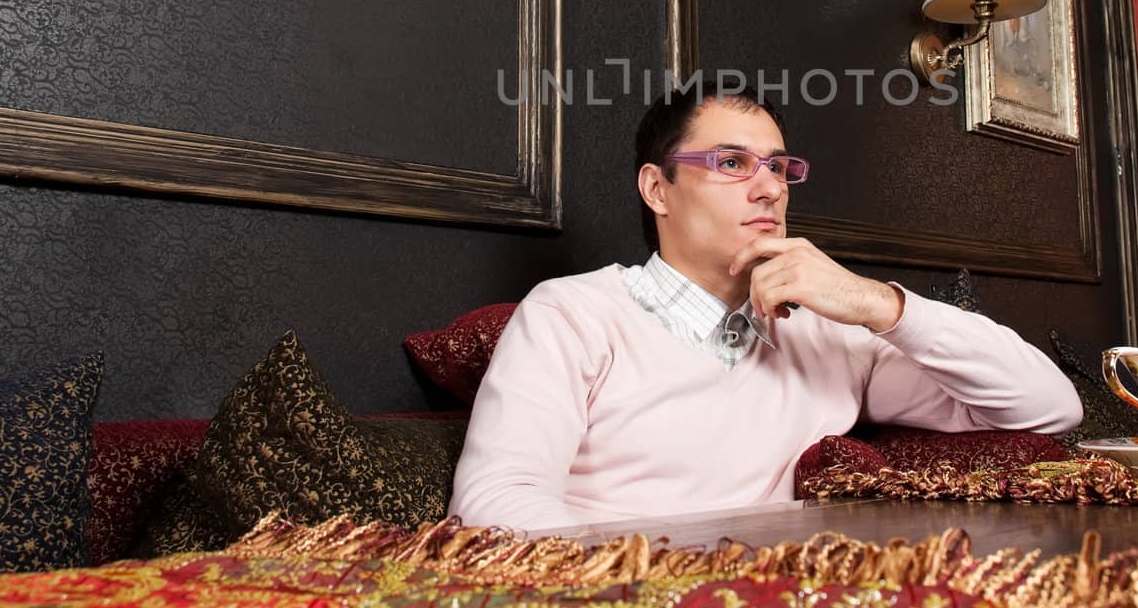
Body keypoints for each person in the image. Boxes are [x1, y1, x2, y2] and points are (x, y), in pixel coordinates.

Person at [448, 82, 1081, 530]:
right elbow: (495, 501)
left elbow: (1050, 407)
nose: (770, 187)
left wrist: (874, 303)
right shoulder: (573, 313)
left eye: (779, 167)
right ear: (657, 189)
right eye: (731, 162)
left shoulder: (831, 336)